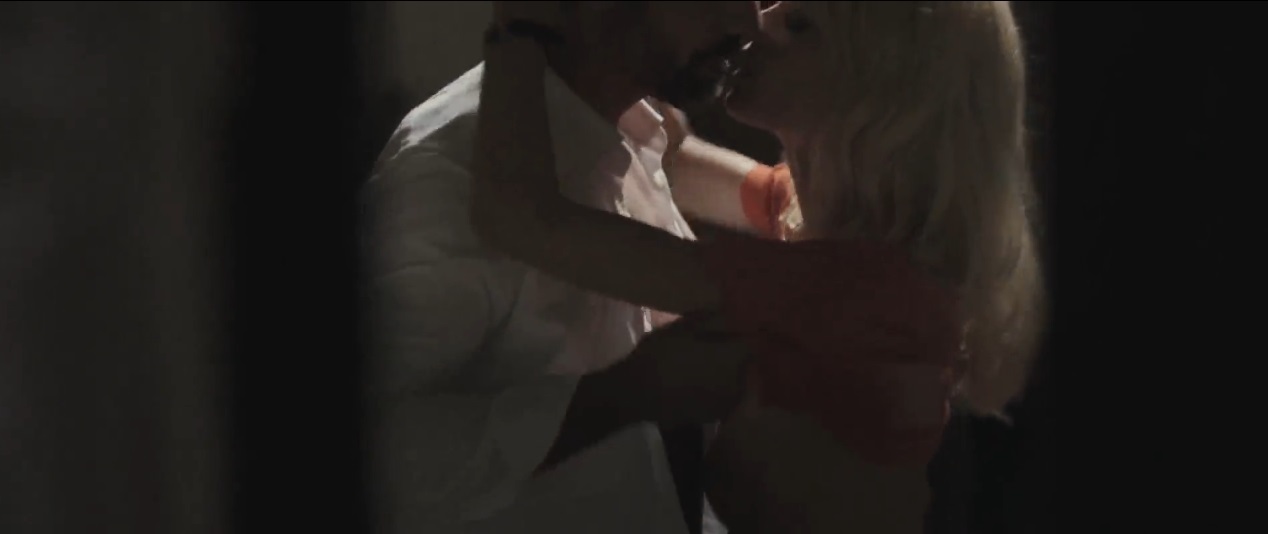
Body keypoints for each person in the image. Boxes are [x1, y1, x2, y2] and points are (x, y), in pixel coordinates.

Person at [472, 1, 1046, 532]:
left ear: (882, 95)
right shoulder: (833, 229)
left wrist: (520, 33)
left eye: (799, 25)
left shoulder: (853, 292)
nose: (755, 22)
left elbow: (526, 221)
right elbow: (679, 162)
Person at [362, 2, 766, 533]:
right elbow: (358, 455)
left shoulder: (625, 127)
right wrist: (613, 399)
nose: (747, 24)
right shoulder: (448, 177)